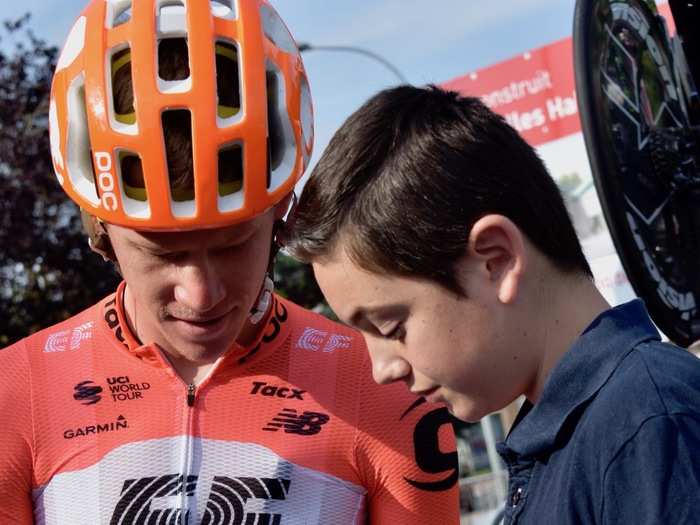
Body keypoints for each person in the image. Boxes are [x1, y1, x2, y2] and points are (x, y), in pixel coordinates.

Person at [0, 3, 461, 523]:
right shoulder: (15, 393)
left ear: (282, 215)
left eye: (234, 244)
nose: (201, 293)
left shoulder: (386, 388)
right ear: (101, 231)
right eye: (163, 254)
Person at [283, 84, 700, 524]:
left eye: (391, 328)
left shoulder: (650, 426)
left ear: (496, 260)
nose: (381, 368)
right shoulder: (583, 438)